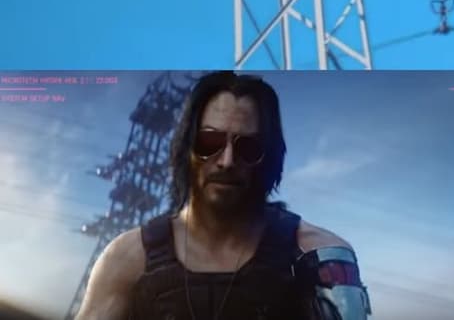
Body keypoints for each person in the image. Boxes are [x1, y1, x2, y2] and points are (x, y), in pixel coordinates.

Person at [75, 72, 372, 320]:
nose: (227, 161)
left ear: (268, 156)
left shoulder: (317, 253)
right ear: (186, 146)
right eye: (210, 141)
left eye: (248, 147)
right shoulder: (127, 258)